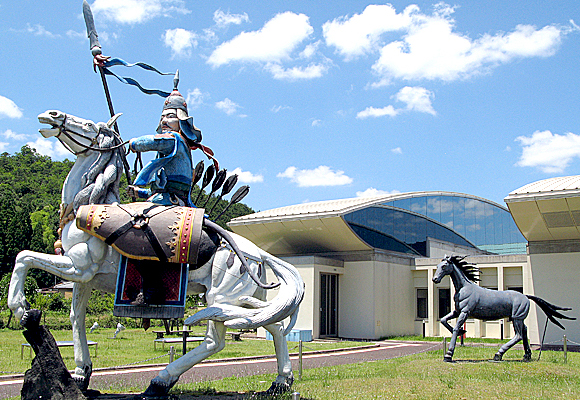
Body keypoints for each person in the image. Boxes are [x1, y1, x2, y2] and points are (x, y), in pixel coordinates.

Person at [126, 75, 202, 207]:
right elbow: (157, 191)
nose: (164, 121)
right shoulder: (175, 147)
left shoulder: (174, 139)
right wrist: (138, 193)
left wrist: (133, 143)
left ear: (181, 122)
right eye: (162, 118)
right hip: (165, 198)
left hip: (170, 201)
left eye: (171, 117)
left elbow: (154, 142)